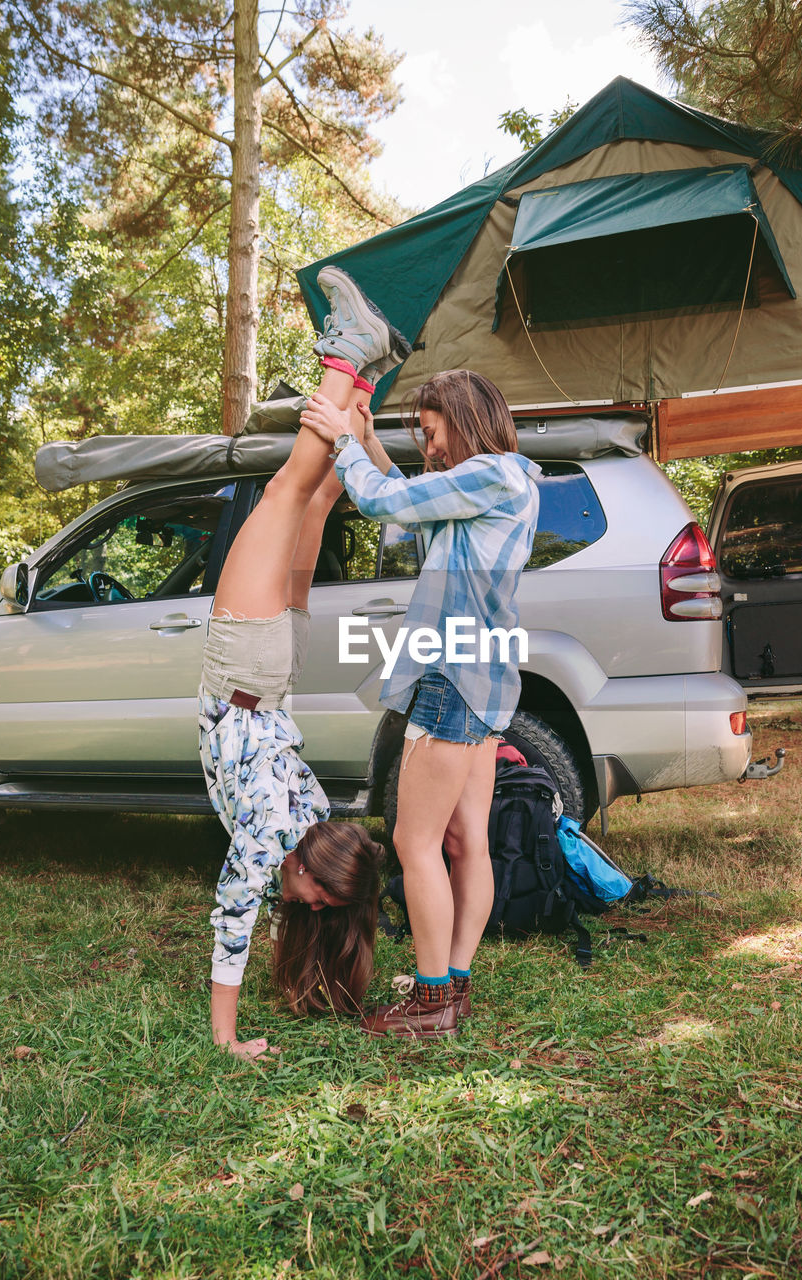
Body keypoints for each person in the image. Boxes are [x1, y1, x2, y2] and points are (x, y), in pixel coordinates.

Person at [300, 324, 542, 1037]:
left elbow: (382, 505)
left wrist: (337, 434)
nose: (429, 447)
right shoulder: (505, 482)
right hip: (486, 678)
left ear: (468, 423)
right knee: (464, 840)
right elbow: (414, 509)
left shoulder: (490, 474)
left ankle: (431, 1005)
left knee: (414, 842)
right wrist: (368, 442)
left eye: (434, 433)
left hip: (450, 675)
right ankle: (454, 983)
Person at [200, 267, 411, 1060]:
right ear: (317, 882)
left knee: (317, 500)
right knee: (290, 488)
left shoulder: (321, 816)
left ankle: (367, 378)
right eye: (315, 902)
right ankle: (346, 357)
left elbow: (269, 908)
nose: (300, 906)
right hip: (246, 665)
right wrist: (226, 1039)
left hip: (277, 661)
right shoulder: (268, 844)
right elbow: (231, 921)